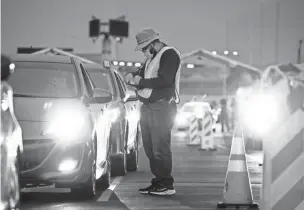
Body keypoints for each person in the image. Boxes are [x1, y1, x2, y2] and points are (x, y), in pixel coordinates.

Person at [125, 28, 181, 196]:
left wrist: (139, 81)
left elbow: (165, 80)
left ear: (154, 44)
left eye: (144, 48)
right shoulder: (152, 58)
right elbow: (141, 74)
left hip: (162, 107)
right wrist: (133, 76)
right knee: (149, 148)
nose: (143, 52)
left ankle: (166, 183)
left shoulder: (169, 55)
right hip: (149, 107)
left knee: (160, 147)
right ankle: (158, 181)